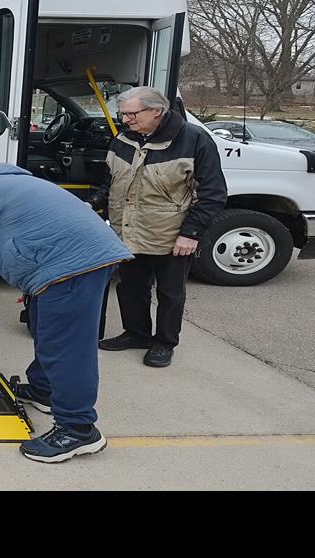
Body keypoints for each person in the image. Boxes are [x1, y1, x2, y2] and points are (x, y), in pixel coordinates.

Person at [0, 163, 131, 463]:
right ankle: (43, 390)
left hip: (68, 267)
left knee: (65, 348)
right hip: (73, 258)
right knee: (43, 327)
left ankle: (77, 429)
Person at [97, 87, 227, 368]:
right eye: (123, 114)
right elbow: (110, 180)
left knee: (169, 292)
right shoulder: (123, 138)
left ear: (157, 111)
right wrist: (93, 203)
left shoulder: (194, 140)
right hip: (127, 230)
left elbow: (213, 193)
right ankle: (136, 334)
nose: (126, 120)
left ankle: (164, 343)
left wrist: (190, 233)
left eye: (132, 114)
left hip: (171, 234)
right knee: (130, 286)